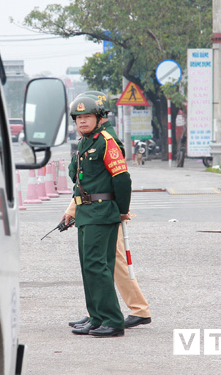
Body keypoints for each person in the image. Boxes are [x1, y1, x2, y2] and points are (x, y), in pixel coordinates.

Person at [62, 92, 151, 329]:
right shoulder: (86, 140)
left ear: (100, 117)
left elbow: (121, 179)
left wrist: (122, 210)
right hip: (87, 211)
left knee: (103, 264)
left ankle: (112, 317)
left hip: (103, 211)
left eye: (87, 116)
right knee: (92, 265)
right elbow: (80, 178)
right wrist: (73, 209)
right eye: (78, 117)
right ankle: (98, 316)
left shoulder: (105, 140)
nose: (81, 121)